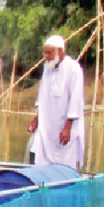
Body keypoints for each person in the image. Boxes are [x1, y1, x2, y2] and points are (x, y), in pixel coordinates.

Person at [28, 35, 85, 170]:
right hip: (48, 125)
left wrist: (68, 127)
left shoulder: (74, 69)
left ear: (60, 51)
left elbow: (75, 99)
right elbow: (42, 95)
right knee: (42, 158)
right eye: (45, 52)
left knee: (65, 162)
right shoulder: (48, 68)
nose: (46, 56)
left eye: (49, 52)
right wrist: (37, 119)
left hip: (66, 126)